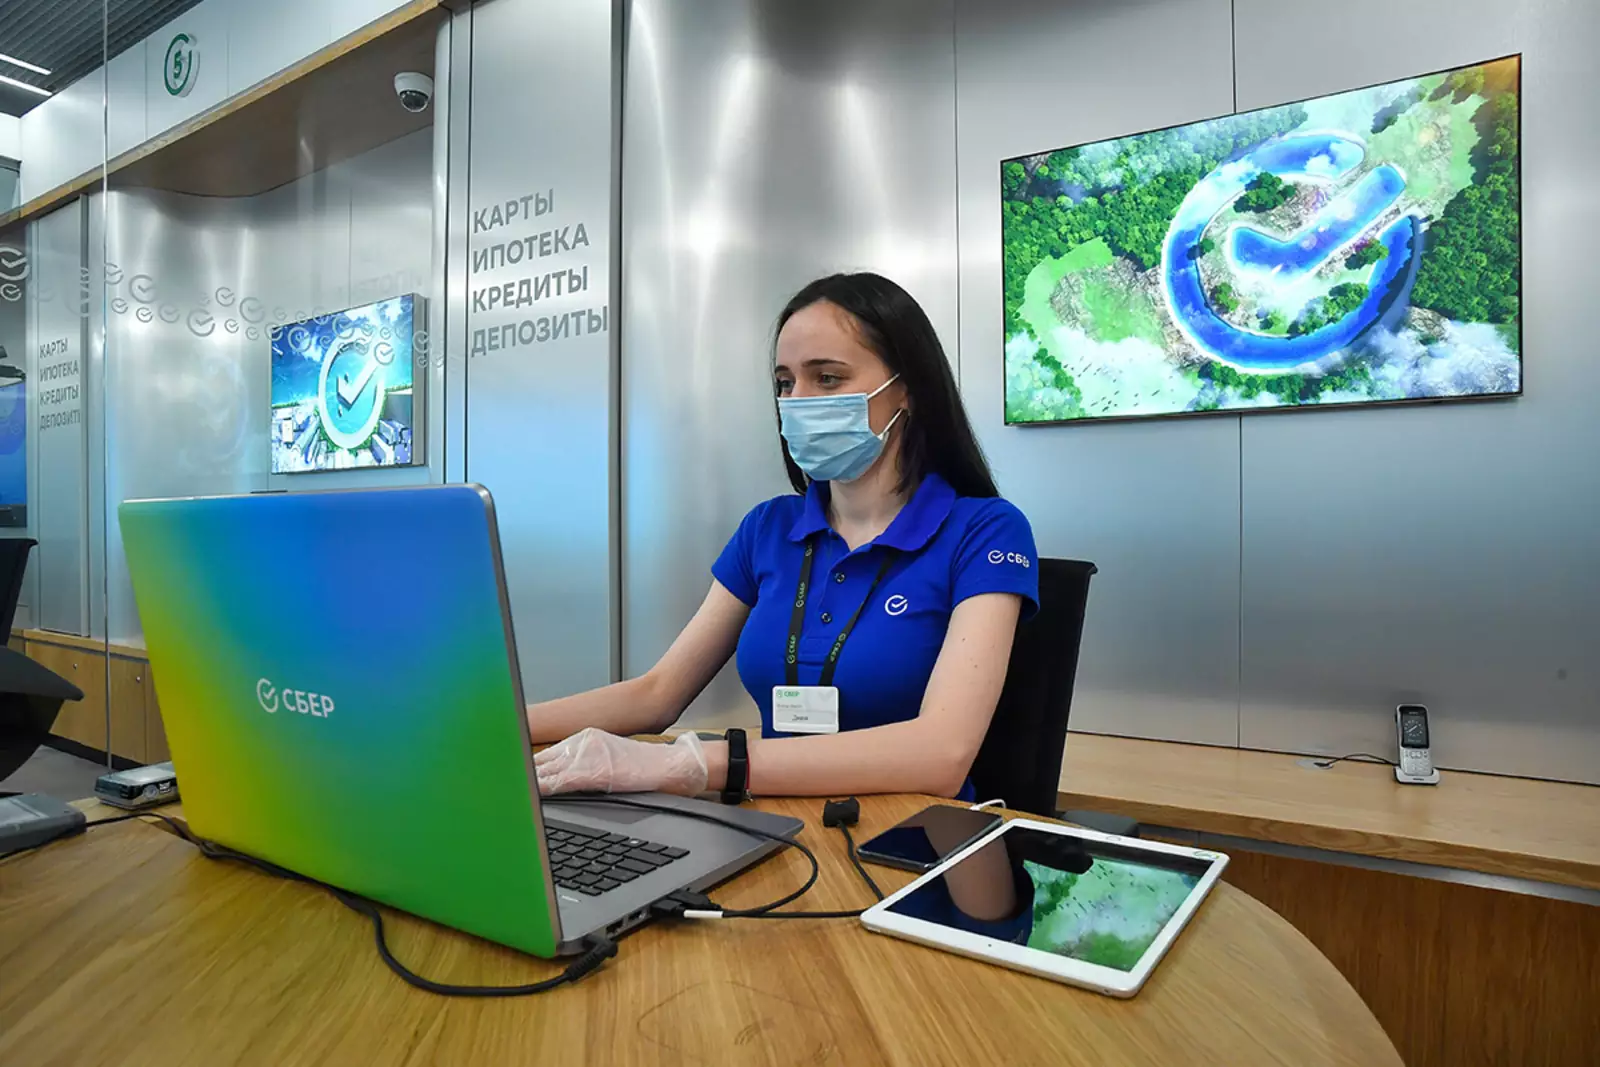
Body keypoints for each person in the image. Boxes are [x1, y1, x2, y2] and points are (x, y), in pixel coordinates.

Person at [530, 272, 1038, 800]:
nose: (798, 401)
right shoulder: (768, 529)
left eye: (827, 378)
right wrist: (501, 726)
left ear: (906, 388)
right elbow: (657, 694)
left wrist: (692, 763)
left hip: (911, 836)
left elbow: (941, 754)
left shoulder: (985, 530)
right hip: (777, 828)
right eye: (785, 383)